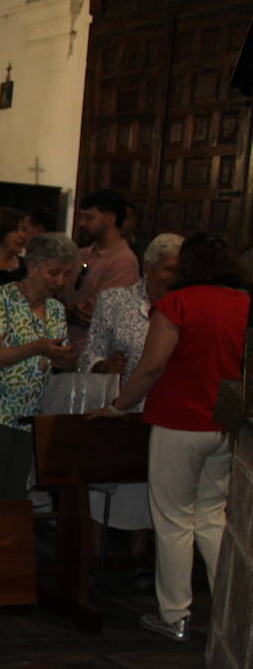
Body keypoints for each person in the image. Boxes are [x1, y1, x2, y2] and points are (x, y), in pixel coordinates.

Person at [91, 234, 249, 642]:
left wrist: (119, 406)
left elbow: (151, 367)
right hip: (227, 424)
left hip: (180, 420)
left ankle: (175, 614)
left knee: (174, 520)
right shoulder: (243, 303)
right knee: (214, 518)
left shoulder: (177, 305)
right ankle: (229, 612)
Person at [80, 233, 182, 546]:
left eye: (180, 269)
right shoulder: (115, 300)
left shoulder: (184, 304)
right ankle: (93, 554)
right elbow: (89, 352)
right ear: (148, 266)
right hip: (118, 406)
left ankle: (138, 557)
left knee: (150, 486)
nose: (174, 277)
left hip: (163, 409)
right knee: (103, 485)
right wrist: (104, 365)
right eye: (168, 268)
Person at [0, 233, 79, 500]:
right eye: (54, 272)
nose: (60, 281)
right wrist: (38, 347)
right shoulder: (2, 298)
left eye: (66, 274)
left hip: (28, 413)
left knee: (14, 495)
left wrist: (66, 358)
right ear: (33, 266)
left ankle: (4, 542)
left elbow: (56, 357)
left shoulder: (56, 309)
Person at [61, 189, 141, 349]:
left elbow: (98, 314)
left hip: (92, 351)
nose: (82, 223)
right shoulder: (82, 254)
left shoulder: (124, 261)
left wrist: (58, 312)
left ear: (110, 219)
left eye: (89, 217)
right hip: (64, 343)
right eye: (81, 217)